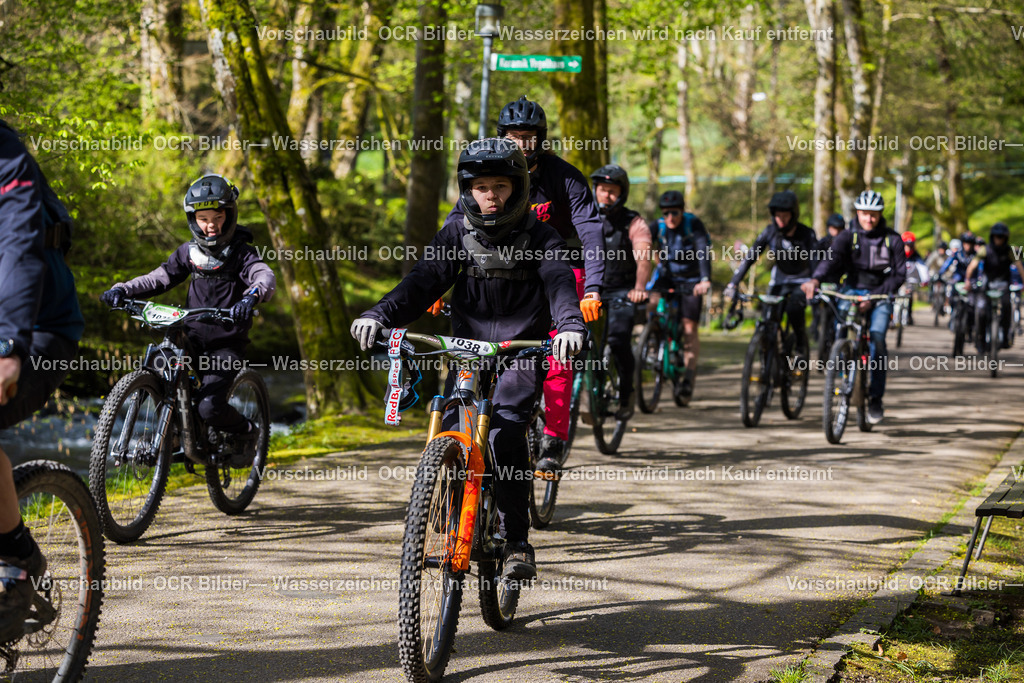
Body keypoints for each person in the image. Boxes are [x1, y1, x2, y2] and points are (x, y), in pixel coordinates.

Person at [351, 138, 585, 580]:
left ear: (519, 188)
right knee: (454, 425)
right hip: (466, 350)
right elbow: (422, 281)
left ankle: (516, 540)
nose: (491, 196)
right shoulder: (457, 232)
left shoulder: (542, 237)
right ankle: (449, 500)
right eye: (481, 187)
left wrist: (571, 325)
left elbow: (559, 284)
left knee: (504, 433)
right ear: (467, 189)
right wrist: (378, 314)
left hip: (520, 351)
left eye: (501, 186)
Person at [443, 96, 604, 473]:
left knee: (560, 354)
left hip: (560, 270)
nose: (523, 144)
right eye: (515, 137)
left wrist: (593, 288)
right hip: (503, 273)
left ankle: (553, 437)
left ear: (542, 139)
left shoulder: (565, 177)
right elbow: (455, 226)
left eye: (530, 137)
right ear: (503, 137)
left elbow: (591, 231)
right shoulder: (488, 175)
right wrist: (436, 287)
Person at [100, 175, 276, 466]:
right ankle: (171, 432)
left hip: (226, 344)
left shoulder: (242, 254)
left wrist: (251, 297)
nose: (210, 225)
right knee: (160, 362)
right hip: (191, 338)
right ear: (193, 219)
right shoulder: (188, 253)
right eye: (203, 218)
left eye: (217, 217)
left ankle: (248, 431)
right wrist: (123, 290)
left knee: (209, 408)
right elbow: (159, 278)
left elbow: (263, 276)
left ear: (229, 215)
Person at [0, 118, 85, 641]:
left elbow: (18, 242)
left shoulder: (5, 154)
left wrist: (9, 346)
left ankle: (18, 558)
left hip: (36, 330)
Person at [802, 190, 906, 424]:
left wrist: (875, 296)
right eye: (864, 213)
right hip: (850, 290)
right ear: (857, 213)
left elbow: (899, 275)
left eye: (874, 214)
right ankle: (842, 369)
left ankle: (876, 399)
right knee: (841, 327)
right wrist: (815, 280)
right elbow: (830, 260)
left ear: (881, 214)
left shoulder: (893, 239)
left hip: (880, 293)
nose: (869, 218)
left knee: (877, 338)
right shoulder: (846, 236)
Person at [589, 164, 653, 420]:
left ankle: (626, 395)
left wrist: (639, 288)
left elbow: (644, 258)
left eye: (612, 191)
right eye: (602, 189)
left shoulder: (634, 222)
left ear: (622, 193)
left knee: (618, 341)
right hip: (589, 290)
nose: (606, 195)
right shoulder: (584, 215)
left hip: (623, 291)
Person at [724, 190, 818, 351]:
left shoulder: (807, 234)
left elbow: (816, 261)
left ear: (793, 214)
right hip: (779, 281)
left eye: (785, 216)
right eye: (777, 216)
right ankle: (769, 354)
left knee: (794, 309)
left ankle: (800, 344)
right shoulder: (770, 232)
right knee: (769, 317)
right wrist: (733, 283)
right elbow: (750, 257)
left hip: (802, 281)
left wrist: (815, 281)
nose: (781, 220)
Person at [647, 190, 712, 405]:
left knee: (689, 327)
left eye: (674, 213)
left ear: (682, 211)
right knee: (650, 302)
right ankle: (652, 340)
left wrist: (705, 279)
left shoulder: (693, 224)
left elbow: (703, 250)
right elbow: (641, 245)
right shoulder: (659, 226)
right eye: (665, 213)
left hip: (693, 280)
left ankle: (688, 377)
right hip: (667, 277)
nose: (670, 217)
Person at [965, 222, 1024, 352]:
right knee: (981, 311)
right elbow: (973, 265)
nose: (999, 239)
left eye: (1001, 237)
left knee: (1007, 306)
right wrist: (967, 280)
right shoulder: (984, 249)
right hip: (988, 284)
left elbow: (1020, 267)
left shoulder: (1010, 251)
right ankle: (980, 339)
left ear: (1005, 238)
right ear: (992, 237)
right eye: (997, 236)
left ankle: (1006, 337)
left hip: (1003, 284)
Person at [810, 213, 846, 342]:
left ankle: (837, 334)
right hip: (822, 281)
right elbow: (814, 263)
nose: (836, 232)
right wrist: (816, 279)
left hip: (838, 283)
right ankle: (815, 328)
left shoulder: (846, 245)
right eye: (833, 228)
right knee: (814, 303)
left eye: (839, 229)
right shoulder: (821, 244)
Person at [900, 231, 930, 325]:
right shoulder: (897, 254)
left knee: (909, 296)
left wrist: (925, 280)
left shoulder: (916, 256)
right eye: (906, 245)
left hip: (910, 280)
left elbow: (922, 268)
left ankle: (909, 315)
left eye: (910, 245)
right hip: (898, 279)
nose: (908, 248)